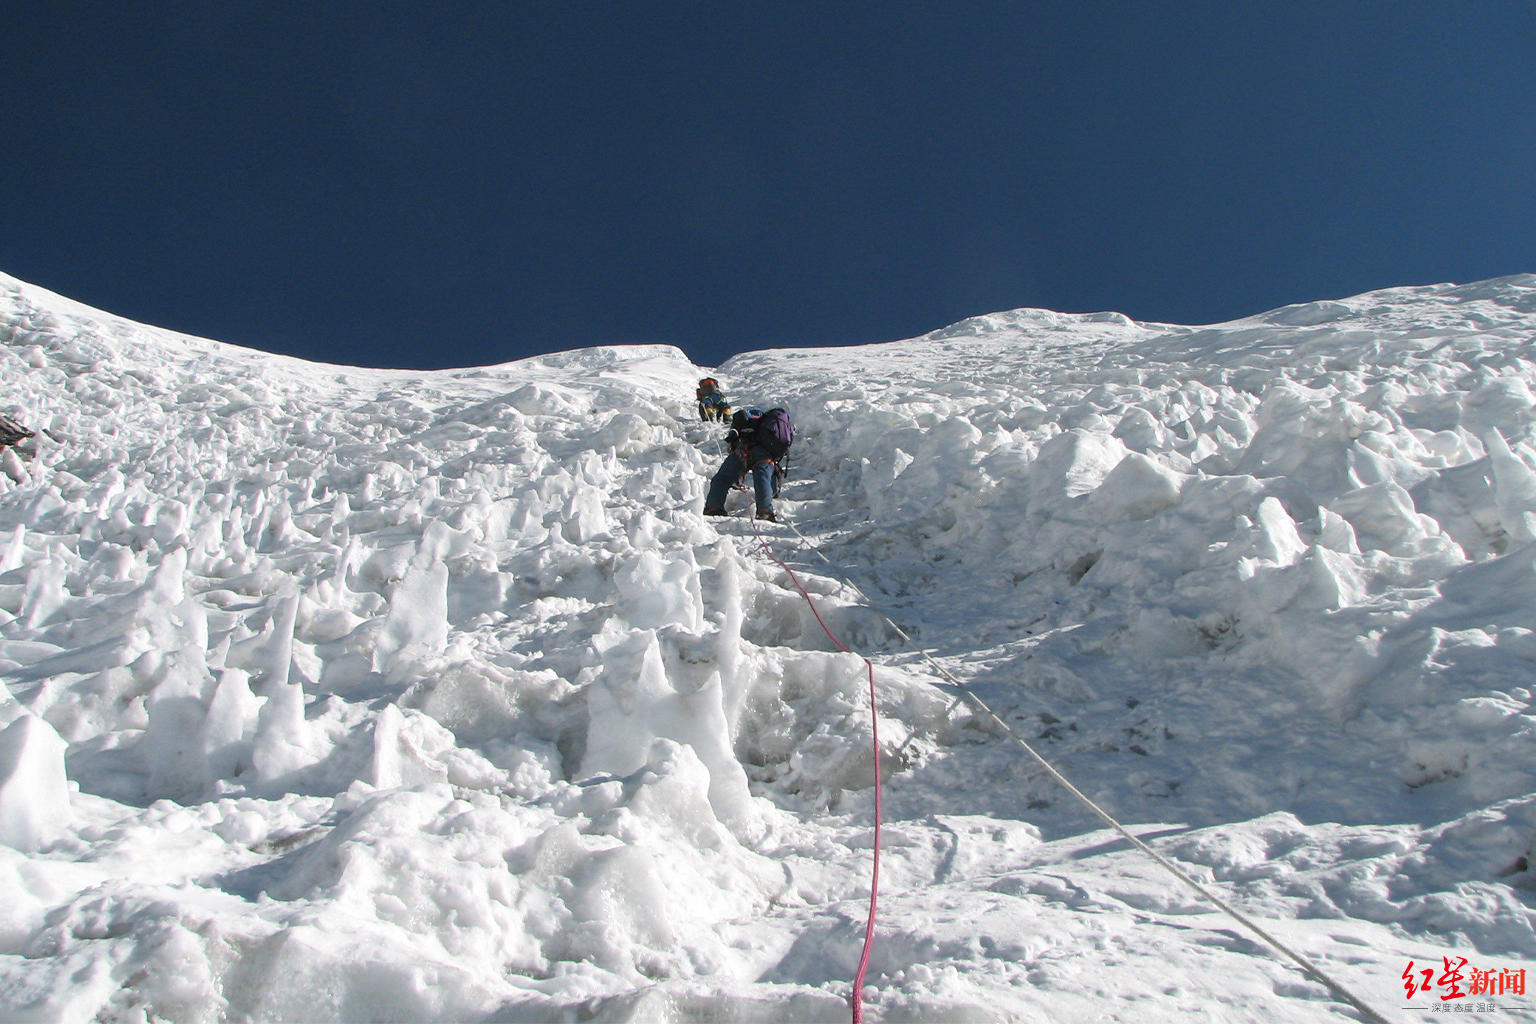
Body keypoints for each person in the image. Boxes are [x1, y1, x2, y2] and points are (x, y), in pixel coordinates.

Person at [703, 407, 793, 521]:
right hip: (765, 454)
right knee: (763, 479)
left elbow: (732, 437)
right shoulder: (769, 428)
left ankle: (713, 507)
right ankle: (765, 511)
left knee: (722, 478)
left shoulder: (742, 421)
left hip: (742, 451)